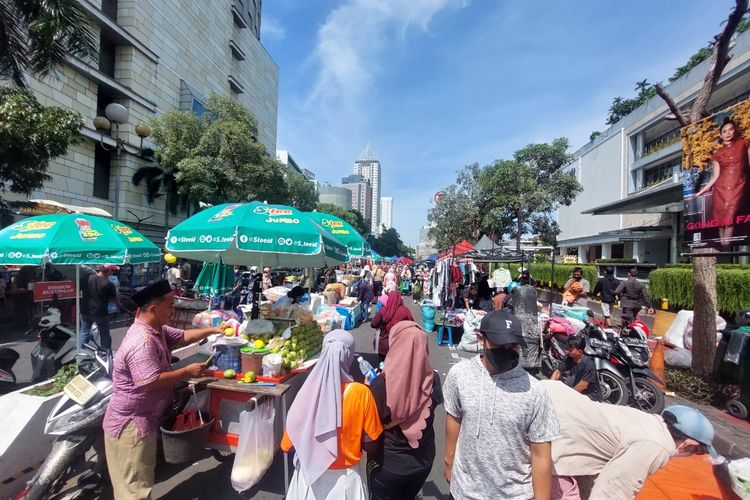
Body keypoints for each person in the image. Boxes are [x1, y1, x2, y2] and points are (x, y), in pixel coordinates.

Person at [102, 280, 225, 499]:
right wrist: (187, 371)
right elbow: (148, 381)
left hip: (145, 419)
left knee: (142, 478)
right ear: (153, 308)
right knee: (134, 489)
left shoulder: (155, 328)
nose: (173, 310)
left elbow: (184, 336)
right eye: (169, 305)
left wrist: (216, 329)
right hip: (131, 424)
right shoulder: (142, 342)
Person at [443, 310, 560, 499]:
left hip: (514, 494)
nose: (507, 351)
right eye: (499, 344)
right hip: (464, 491)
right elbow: (454, 417)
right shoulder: (460, 375)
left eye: (513, 346)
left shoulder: (535, 391)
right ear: (481, 338)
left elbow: (541, 455)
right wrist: (449, 461)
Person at [541, 380, 719, 500]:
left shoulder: (648, 420)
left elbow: (601, 474)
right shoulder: (657, 445)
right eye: (698, 451)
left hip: (552, 399)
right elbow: (614, 489)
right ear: (689, 444)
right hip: (553, 426)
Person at [282, 330, 382, 499]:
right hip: (346, 483)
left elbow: (288, 446)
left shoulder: (308, 392)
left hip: (308, 482)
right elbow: (372, 445)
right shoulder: (361, 393)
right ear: (349, 357)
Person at [367, 321, 442, 499]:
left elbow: (369, 424)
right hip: (423, 462)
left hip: (388, 464)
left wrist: (366, 391)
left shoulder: (380, 385)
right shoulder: (434, 379)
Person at [694, 119, 750, 246]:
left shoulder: (744, 143)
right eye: (724, 131)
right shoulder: (717, 154)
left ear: (735, 130)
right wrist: (701, 191)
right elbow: (715, 176)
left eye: (731, 129)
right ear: (721, 135)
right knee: (721, 222)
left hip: (739, 186)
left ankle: (726, 248)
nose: (728, 133)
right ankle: (724, 252)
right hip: (721, 189)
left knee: (729, 220)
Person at [80, 264, 119, 350]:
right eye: (112, 271)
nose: (112, 272)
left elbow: (79, 289)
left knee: (84, 332)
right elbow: (113, 300)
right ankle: (106, 353)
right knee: (104, 333)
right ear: (108, 271)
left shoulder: (86, 278)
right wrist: (119, 306)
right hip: (100, 312)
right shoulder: (108, 284)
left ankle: (81, 352)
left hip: (85, 310)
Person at [550, 335, 602, 401]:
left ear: (580, 351)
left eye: (570, 350)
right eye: (567, 349)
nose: (567, 351)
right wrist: (550, 385)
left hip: (590, 396)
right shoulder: (569, 357)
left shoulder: (588, 364)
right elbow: (558, 372)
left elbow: (583, 385)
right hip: (574, 389)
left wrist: (567, 397)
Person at [371, 290, 414, 359]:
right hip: (399, 343)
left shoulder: (383, 310)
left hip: (384, 344)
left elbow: (373, 324)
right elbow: (412, 324)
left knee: (382, 365)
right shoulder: (405, 311)